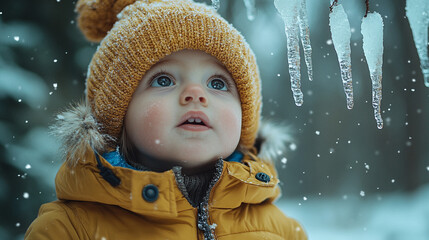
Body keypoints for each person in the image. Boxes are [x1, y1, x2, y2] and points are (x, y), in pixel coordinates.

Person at [25, 0, 307, 239]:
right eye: (163, 80)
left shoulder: (280, 230)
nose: (196, 94)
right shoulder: (69, 229)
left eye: (218, 84)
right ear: (118, 115)